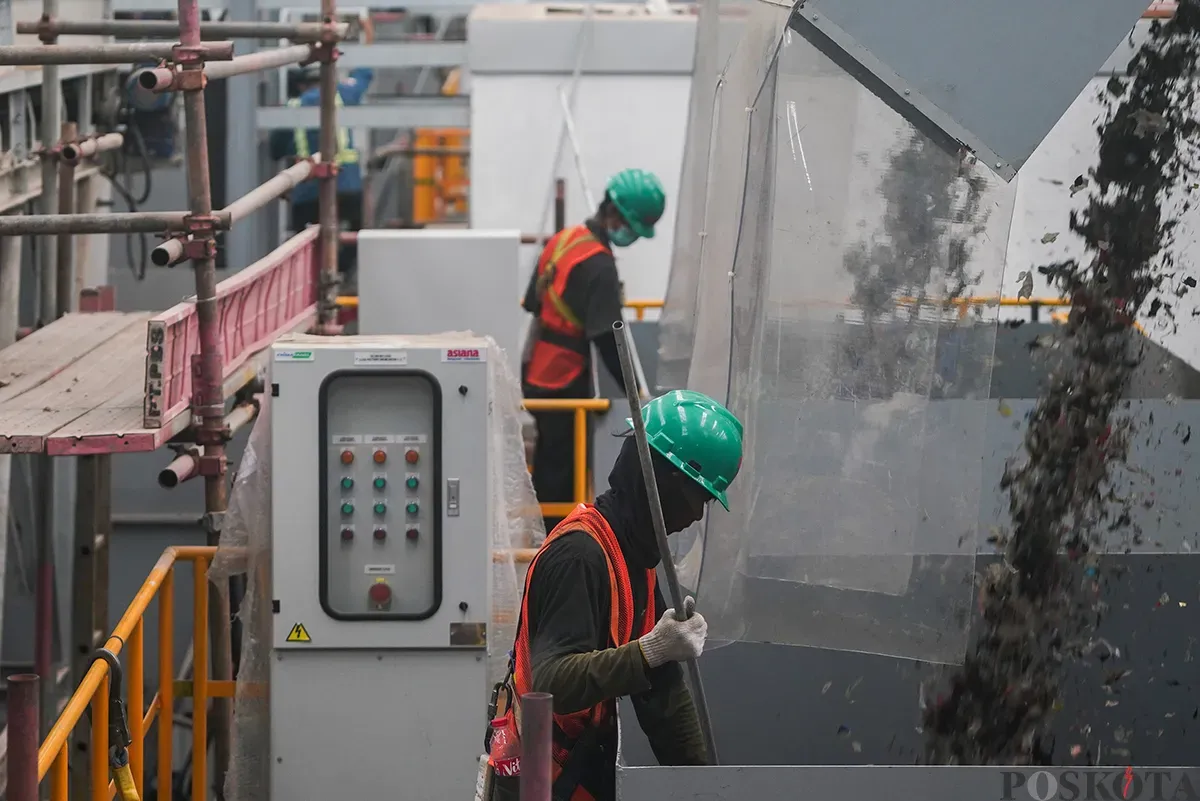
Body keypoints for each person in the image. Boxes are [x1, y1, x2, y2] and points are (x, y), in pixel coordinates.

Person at [488, 390, 744, 801]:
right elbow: (552, 683)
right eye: (698, 497)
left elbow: (661, 693)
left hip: (579, 773)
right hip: (539, 783)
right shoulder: (580, 556)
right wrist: (648, 651)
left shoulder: (635, 561)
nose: (697, 515)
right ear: (661, 482)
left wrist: (706, 786)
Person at [521, 168, 667, 530]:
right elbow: (609, 339)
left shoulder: (565, 239)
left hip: (536, 367)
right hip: (564, 378)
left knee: (550, 457)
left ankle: (547, 527)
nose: (631, 235)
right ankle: (557, 537)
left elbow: (531, 302)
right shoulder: (599, 264)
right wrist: (638, 398)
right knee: (563, 467)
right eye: (634, 227)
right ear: (618, 216)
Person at [269, 26, 374, 288]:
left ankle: (314, 287)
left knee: (306, 245)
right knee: (350, 240)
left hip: (308, 194)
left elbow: (275, 149)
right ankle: (339, 279)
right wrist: (367, 33)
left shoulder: (292, 107)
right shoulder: (344, 95)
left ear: (301, 83)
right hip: (347, 188)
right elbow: (365, 74)